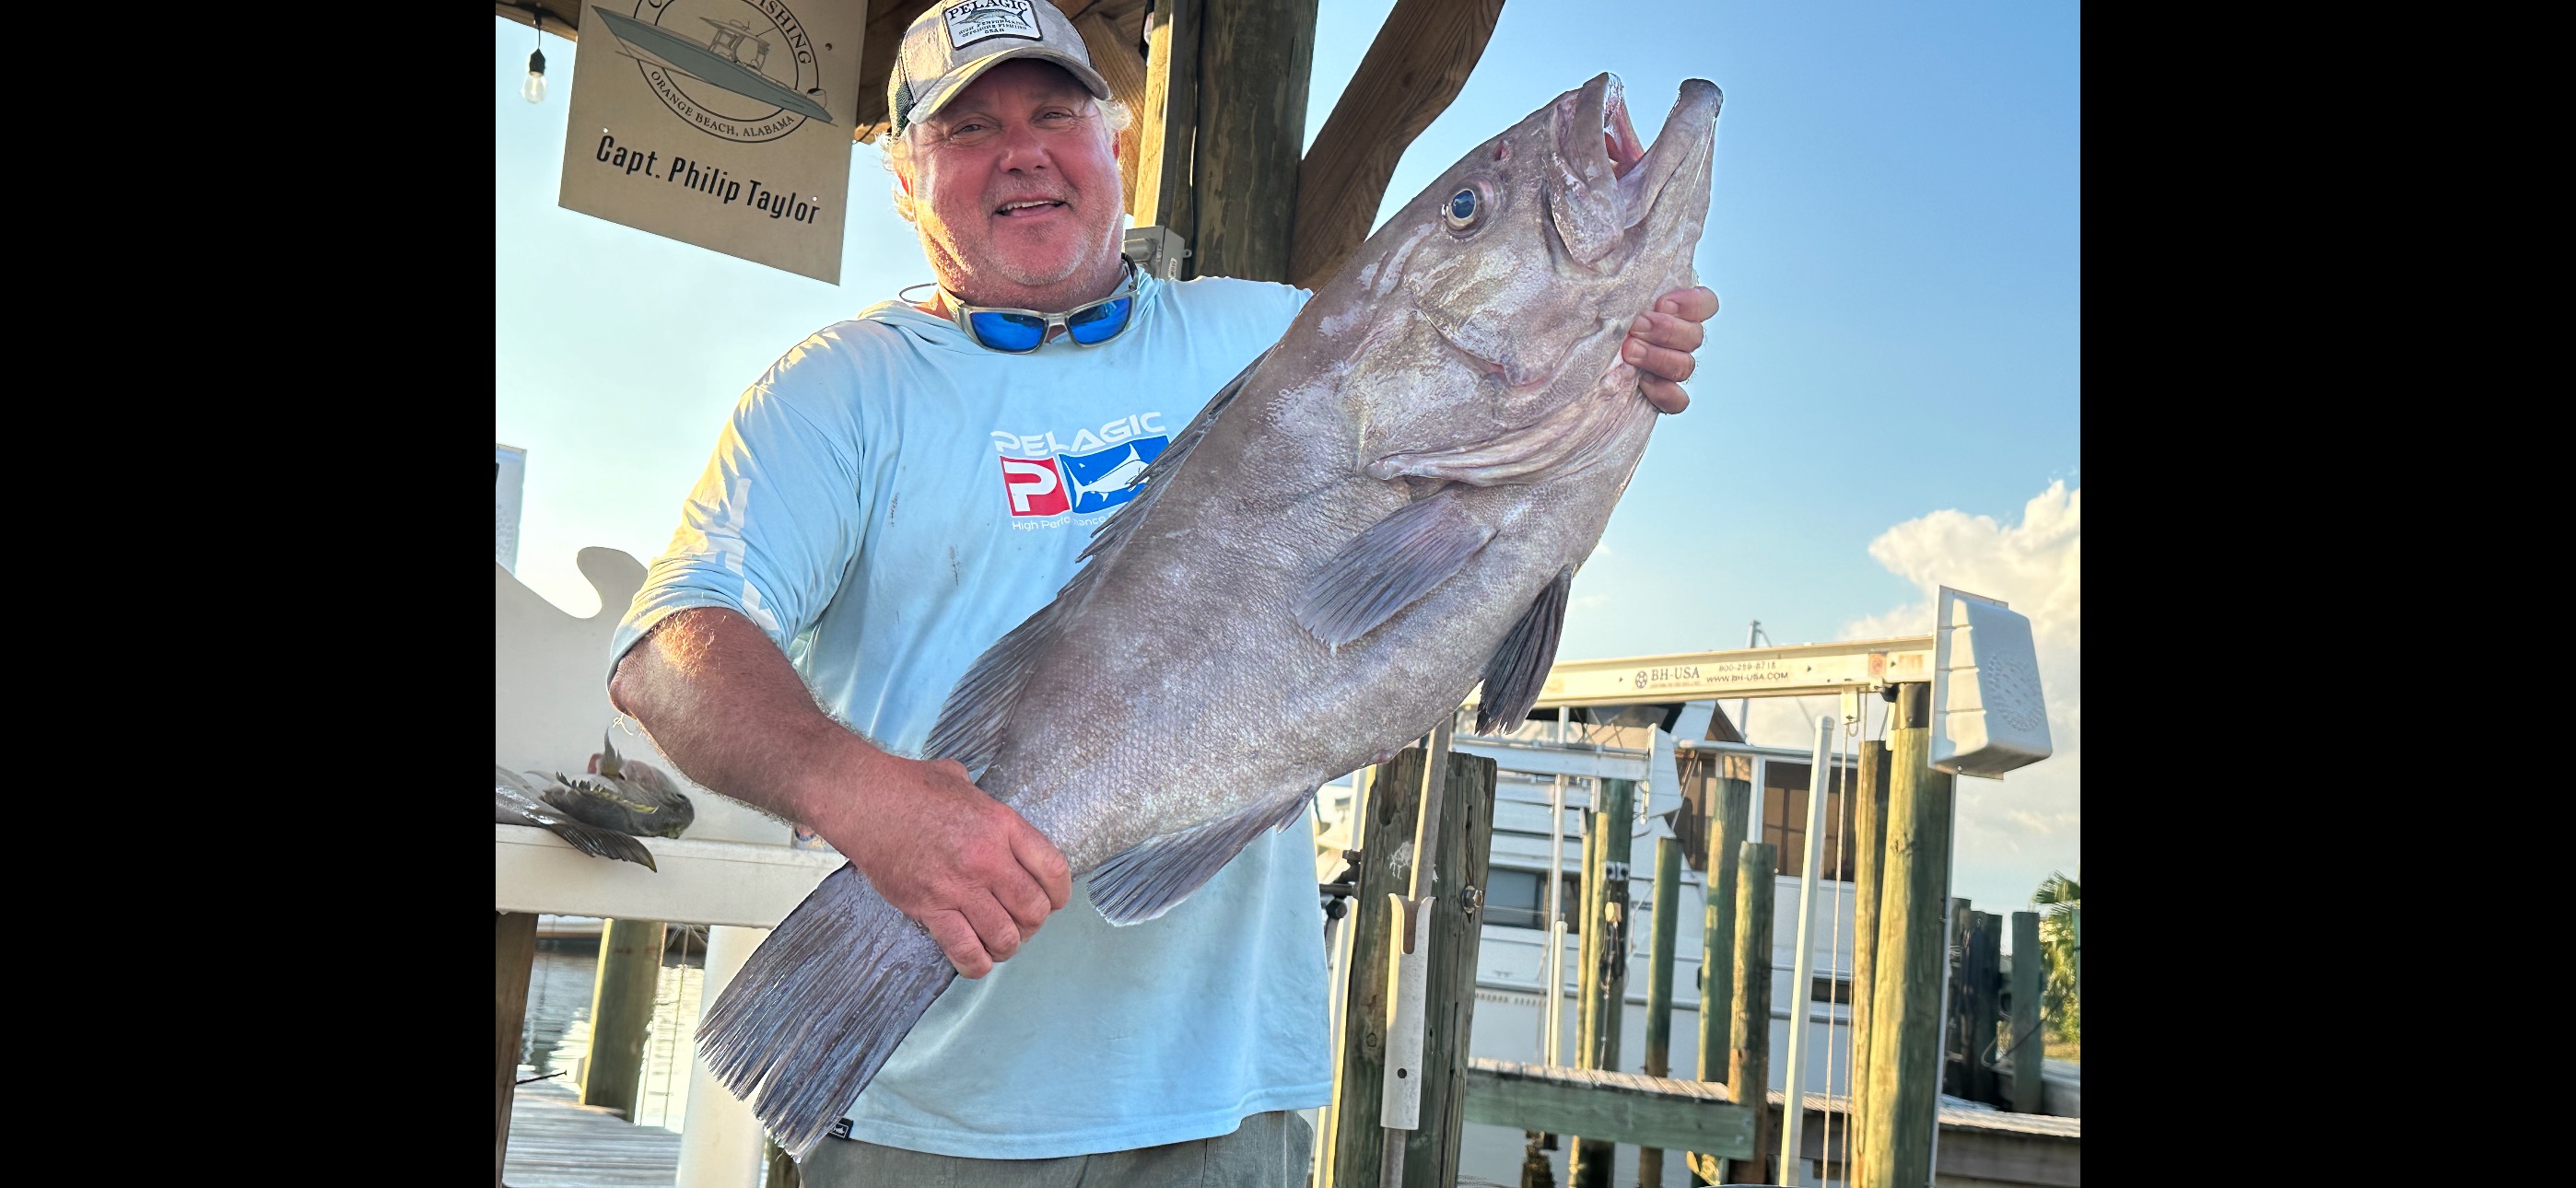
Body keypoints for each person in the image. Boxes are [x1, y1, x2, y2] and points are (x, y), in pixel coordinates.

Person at [603, 2, 1717, 1183]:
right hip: (929, 1119)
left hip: (1226, 1104)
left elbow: (1469, 560)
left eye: (1054, 111)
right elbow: (665, 653)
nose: (1022, 149)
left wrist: (1613, 379)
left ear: (1114, 142)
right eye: (968, 125)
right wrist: (869, 802)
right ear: (905, 179)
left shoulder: (1278, 333)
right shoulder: (835, 393)